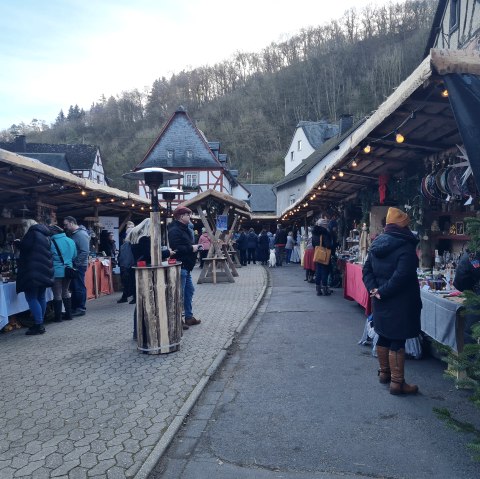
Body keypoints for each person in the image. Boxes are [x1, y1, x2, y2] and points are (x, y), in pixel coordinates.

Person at [362, 207, 421, 395]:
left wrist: (374, 289)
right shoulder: (406, 246)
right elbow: (402, 276)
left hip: (380, 300)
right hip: (400, 302)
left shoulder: (377, 243)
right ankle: (397, 383)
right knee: (397, 339)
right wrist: (382, 291)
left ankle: (384, 374)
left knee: (384, 335)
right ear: (403, 226)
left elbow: (367, 270)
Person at [16, 219, 54, 335]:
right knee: (41, 297)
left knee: (31, 298)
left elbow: (25, 248)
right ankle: (40, 322)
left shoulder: (31, 234)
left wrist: (17, 243)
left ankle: (39, 324)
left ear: (27, 226)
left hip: (32, 272)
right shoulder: (45, 235)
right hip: (45, 271)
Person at [168, 206, 202, 327]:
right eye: (188, 215)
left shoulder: (185, 228)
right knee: (180, 294)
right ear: (181, 217)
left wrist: (194, 247)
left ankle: (188, 317)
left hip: (186, 267)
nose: (190, 216)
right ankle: (178, 320)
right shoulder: (174, 230)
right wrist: (191, 248)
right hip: (180, 266)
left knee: (189, 291)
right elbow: (176, 248)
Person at [49, 224, 77, 322]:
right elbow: (74, 256)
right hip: (69, 269)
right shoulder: (70, 240)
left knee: (57, 293)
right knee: (65, 291)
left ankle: (58, 317)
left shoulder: (51, 242)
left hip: (57, 271)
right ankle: (69, 315)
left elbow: (49, 257)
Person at [63, 216, 90, 317]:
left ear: (71, 222)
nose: (65, 227)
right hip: (77, 264)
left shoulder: (81, 234)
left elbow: (84, 251)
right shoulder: (75, 234)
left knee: (78, 286)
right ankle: (76, 308)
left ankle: (80, 308)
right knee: (75, 286)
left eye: (66, 224)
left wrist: (76, 264)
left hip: (79, 265)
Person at [312, 218, 333, 296]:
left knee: (318, 272)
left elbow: (313, 244)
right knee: (325, 272)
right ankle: (325, 289)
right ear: (323, 225)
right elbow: (328, 245)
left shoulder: (314, 233)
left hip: (317, 254)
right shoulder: (325, 233)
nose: (326, 225)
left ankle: (318, 290)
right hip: (324, 255)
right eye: (325, 224)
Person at [117, 230, 135, 303]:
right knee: (129, 282)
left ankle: (126, 297)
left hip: (126, 265)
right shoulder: (128, 245)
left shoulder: (125, 245)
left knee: (128, 282)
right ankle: (129, 297)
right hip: (128, 265)